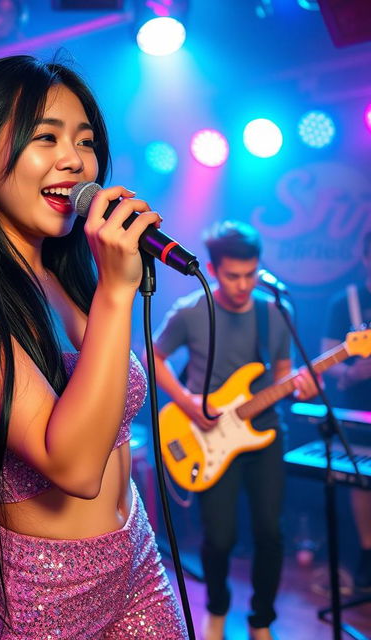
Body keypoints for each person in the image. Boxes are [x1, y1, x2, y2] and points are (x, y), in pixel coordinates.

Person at [0, 55, 187, 639]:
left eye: (85, 141)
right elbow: (74, 466)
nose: (75, 160)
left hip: (135, 563)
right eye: (45, 137)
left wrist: (107, 289)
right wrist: (116, 292)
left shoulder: (67, 275)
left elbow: (111, 425)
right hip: (44, 597)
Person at [150, 221, 318, 640]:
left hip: (264, 433)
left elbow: (282, 374)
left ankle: (262, 620)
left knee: (269, 532)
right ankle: (218, 610)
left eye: (250, 274)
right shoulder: (191, 311)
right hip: (204, 434)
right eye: (232, 275)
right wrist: (188, 403)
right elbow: (152, 355)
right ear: (212, 268)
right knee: (220, 537)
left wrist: (302, 388)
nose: (243, 284)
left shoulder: (276, 311)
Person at [322, 229, 371, 591]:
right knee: (361, 484)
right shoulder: (346, 302)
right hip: (358, 407)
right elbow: (326, 359)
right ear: (365, 259)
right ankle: (365, 558)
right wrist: (352, 370)